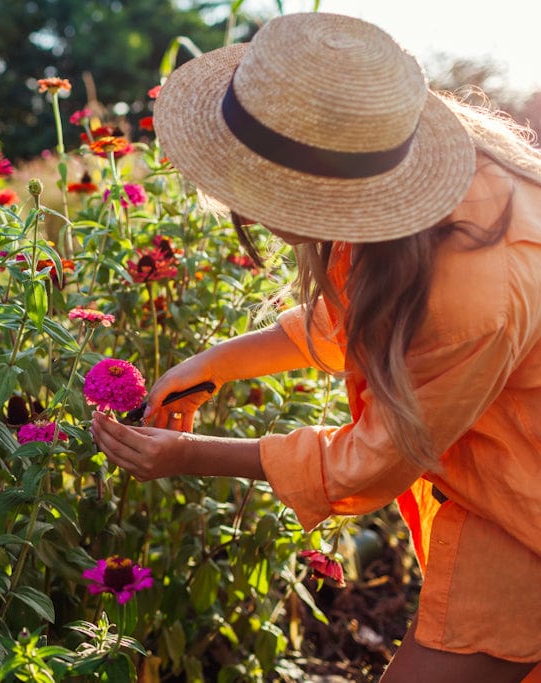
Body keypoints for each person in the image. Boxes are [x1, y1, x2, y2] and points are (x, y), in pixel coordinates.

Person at [89, 12, 541, 683]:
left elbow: (375, 459)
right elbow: (355, 321)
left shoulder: (471, 286)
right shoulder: (400, 186)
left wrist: (190, 456)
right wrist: (214, 362)